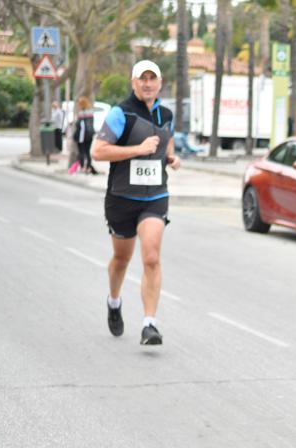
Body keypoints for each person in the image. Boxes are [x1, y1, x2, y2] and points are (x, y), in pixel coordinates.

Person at [91, 60, 180, 346]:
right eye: (142, 79)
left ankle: (149, 324)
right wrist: (136, 150)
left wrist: (172, 158)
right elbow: (97, 151)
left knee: (151, 257)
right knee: (121, 260)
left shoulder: (166, 114)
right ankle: (114, 302)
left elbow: (166, 145)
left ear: (160, 83)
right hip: (121, 198)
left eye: (152, 79)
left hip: (154, 196)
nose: (147, 83)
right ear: (133, 82)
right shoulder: (121, 113)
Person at [74, 96, 98, 175]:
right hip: (89, 135)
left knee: (81, 152)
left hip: (82, 136)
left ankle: (82, 168)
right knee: (87, 152)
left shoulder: (81, 114)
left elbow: (81, 127)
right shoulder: (91, 113)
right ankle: (88, 167)